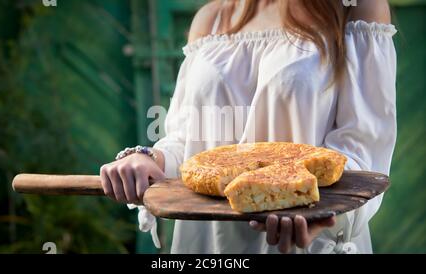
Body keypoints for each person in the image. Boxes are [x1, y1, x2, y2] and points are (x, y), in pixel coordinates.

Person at [100, 0, 397, 254]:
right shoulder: (211, 18)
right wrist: (149, 158)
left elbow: (362, 145)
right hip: (207, 243)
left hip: (303, 242)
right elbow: (189, 140)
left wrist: (319, 213)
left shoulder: (354, 8)